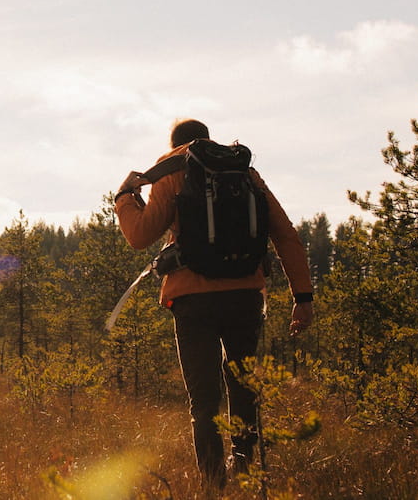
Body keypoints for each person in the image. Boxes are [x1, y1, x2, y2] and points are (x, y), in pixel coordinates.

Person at [113, 119, 314, 490]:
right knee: (243, 389)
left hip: (192, 299)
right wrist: (302, 298)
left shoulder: (171, 170)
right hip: (245, 296)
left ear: (175, 143)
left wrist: (125, 197)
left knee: (204, 401)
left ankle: (213, 486)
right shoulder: (244, 173)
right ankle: (247, 475)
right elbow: (286, 236)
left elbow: (141, 236)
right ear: (207, 139)